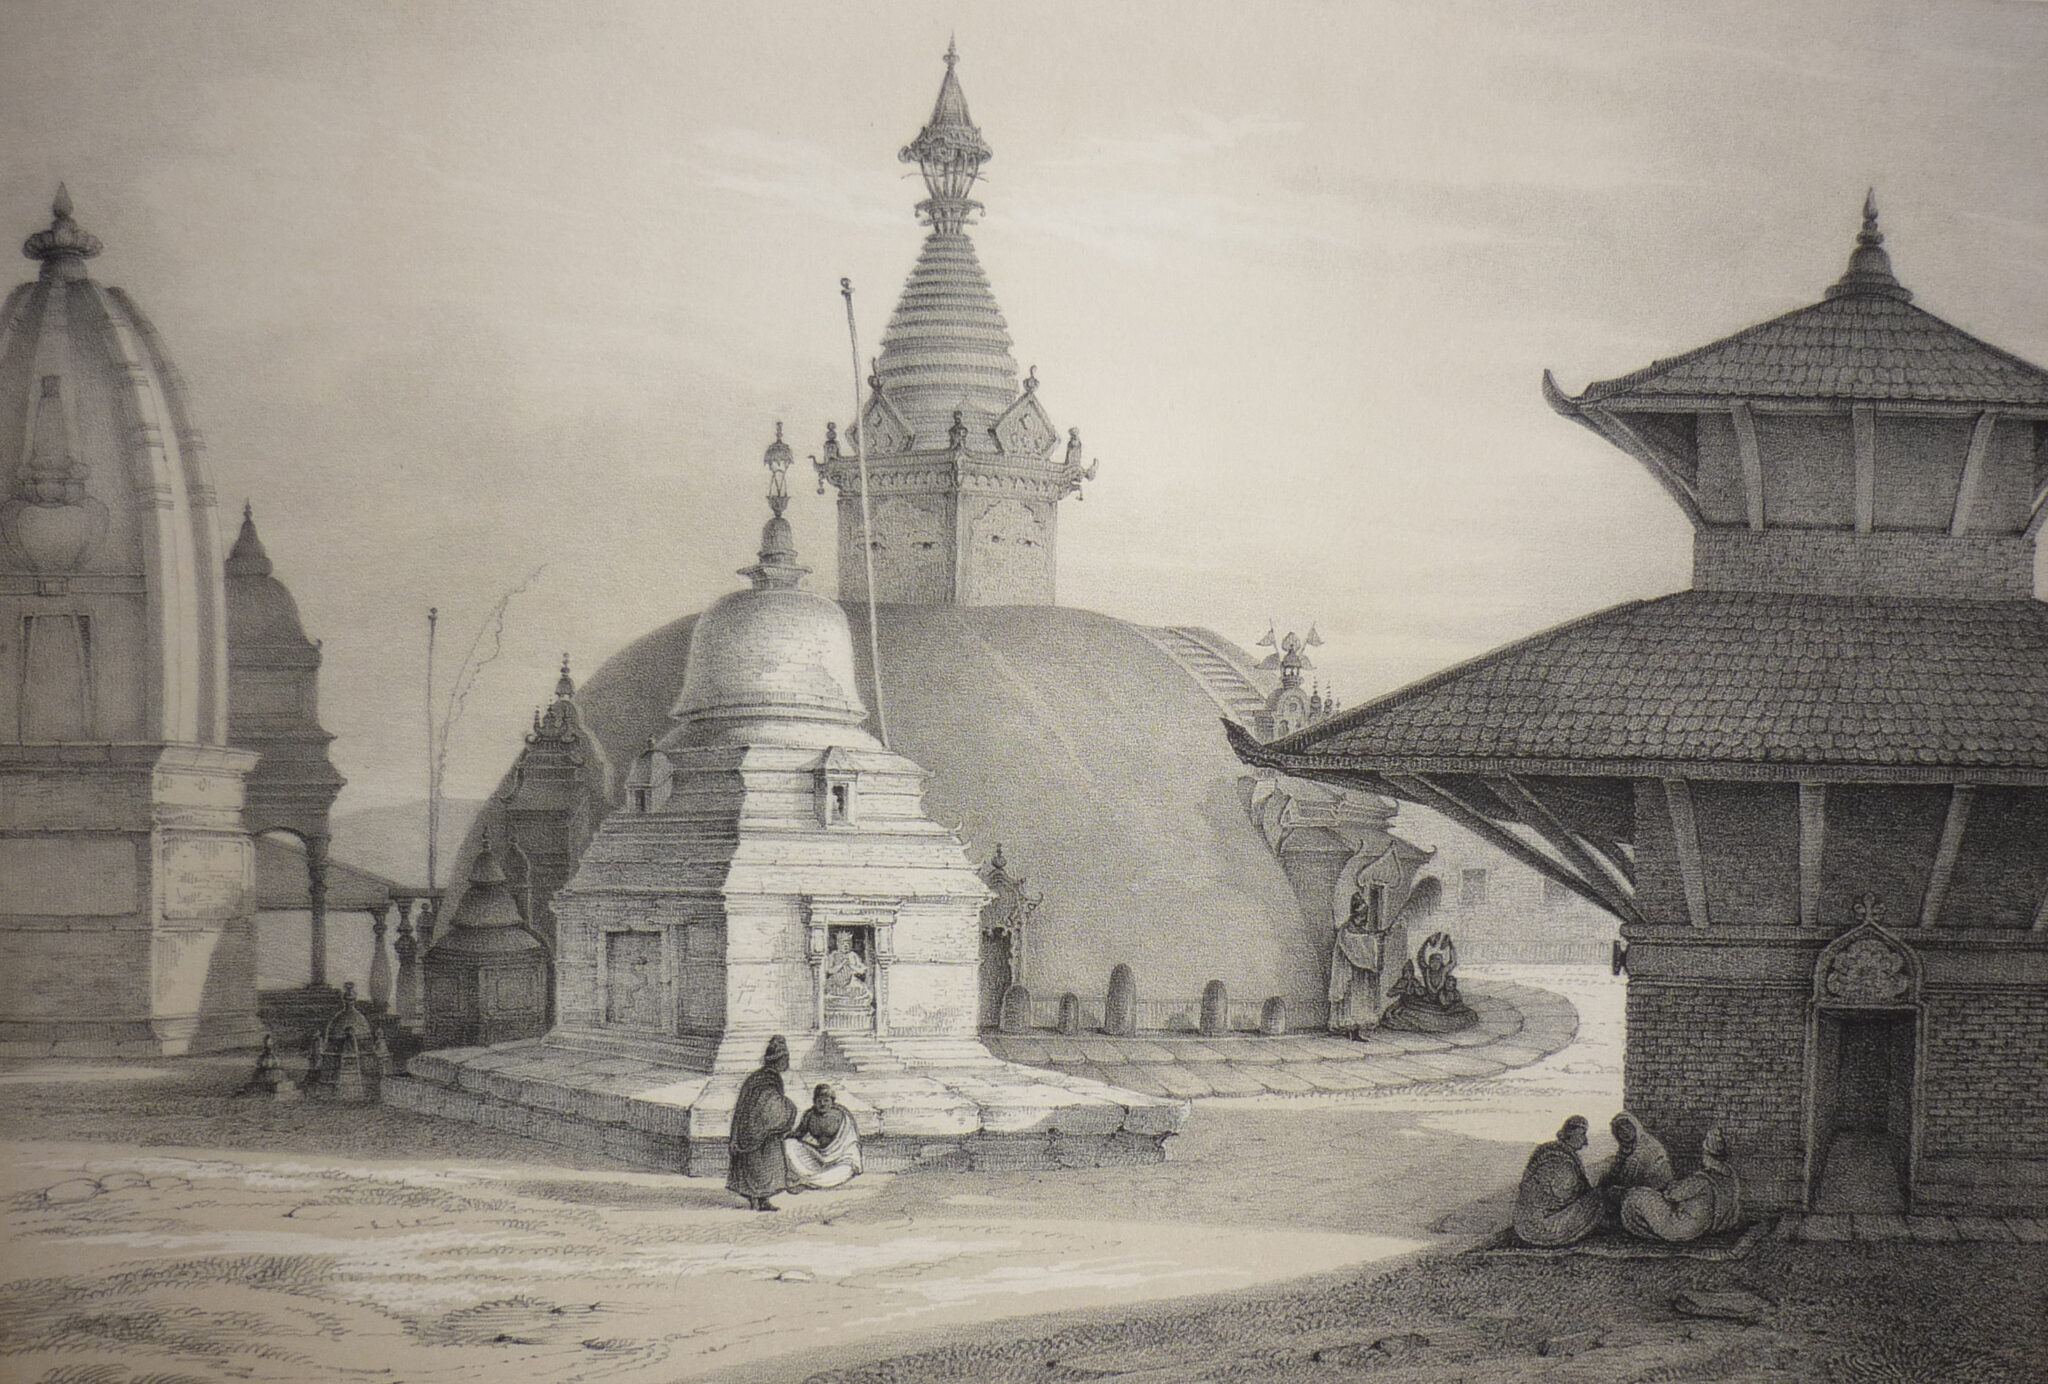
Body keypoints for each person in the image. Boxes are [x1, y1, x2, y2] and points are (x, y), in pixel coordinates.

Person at [1620, 1128, 1743, 1242]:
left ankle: (1645, 1234)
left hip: (1684, 1227)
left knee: (1636, 1195)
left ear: (1708, 1156)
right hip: (1710, 1225)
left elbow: (1670, 1195)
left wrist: (1670, 1186)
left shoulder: (1702, 1180)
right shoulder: (1730, 1176)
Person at [726, 1035, 798, 1211]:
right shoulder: (770, 1079)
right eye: (785, 1059)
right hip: (763, 1131)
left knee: (755, 1165)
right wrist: (789, 1109)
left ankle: (755, 1199)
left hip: (749, 1129)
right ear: (778, 1060)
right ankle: (762, 1200)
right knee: (764, 1164)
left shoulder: (755, 1077)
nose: (787, 1062)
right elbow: (770, 1105)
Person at [1512, 1115, 1606, 1246]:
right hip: (1541, 1227)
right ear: (1570, 1134)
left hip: (1529, 1223)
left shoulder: (1553, 1153)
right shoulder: (1559, 1162)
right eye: (1582, 1134)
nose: (1585, 1142)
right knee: (1599, 1198)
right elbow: (1561, 1197)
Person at [784, 1084, 863, 1190]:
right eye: (819, 1101)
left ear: (832, 1101)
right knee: (789, 1143)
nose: (822, 1104)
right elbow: (798, 1134)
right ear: (814, 1101)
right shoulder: (810, 1115)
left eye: (826, 1101)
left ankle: (809, 1181)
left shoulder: (841, 1116)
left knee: (843, 1171)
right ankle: (811, 1177)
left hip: (841, 1156)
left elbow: (850, 1141)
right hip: (820, 1155)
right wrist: (783, 1136)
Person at [1598, 1112, 1675, 1197]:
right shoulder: (1624, 1149)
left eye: (1628, 1128)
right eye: (1621, 1130)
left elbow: (1643, 1177)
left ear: (1636, 1128)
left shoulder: (1649, 1147)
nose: (1625, 1132)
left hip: (1653, 1193)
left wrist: (1622, 1190)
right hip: (1632, 1191)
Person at [825, 933, 872, 1005]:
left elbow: (862, 970)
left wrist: (851, 966)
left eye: (848, 943)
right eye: (843, 943)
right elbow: (829, 970)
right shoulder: (834, 955)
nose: (846, 946)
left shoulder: (853, 955)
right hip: (836, 982)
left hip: (851, 982)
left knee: (865, 992)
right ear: (838, 944)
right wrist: (841, 964)